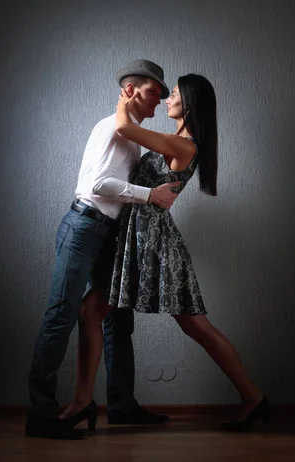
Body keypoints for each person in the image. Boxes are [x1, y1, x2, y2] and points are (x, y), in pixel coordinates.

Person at [63, 73, 270, 433]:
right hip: (140, 237)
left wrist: (125, 97)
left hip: (153, 242)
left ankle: (254, 399)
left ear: (189, 104)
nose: (166, 99)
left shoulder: (185, 145)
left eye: (172, 94)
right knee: (92, 311)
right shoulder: (174, 140)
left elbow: (126, 128)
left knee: (195, 326)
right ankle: (83, 402)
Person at [26, 59, 178, 439]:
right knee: (61, 314)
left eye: (162, 96)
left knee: (116, 316)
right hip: (83, 227)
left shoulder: (130, 133)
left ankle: (121, 405)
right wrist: (150, 196)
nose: (158, 102)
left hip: (107, 232)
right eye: (152, 93)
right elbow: (98, 185)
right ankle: (42, 416)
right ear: (130, 91)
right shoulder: (113, 127)